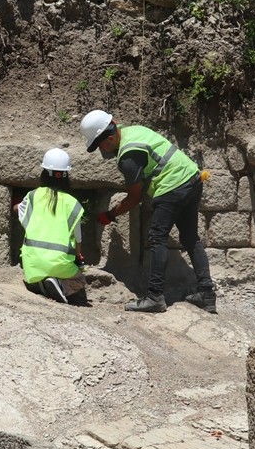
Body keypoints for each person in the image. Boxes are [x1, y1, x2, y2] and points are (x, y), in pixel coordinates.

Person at [80, 109, 216, 314]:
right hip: (192, 177)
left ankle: (155, 297)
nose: (102, 151)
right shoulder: (133, 131)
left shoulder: (128, 156)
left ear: (109, 138)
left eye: (100, 145)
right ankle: (207, 294)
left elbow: (134, 198)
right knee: (190, 238)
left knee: (157, 237)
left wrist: (110, 215)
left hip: (172, 185)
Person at [14, 147, 89, 306]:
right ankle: (59, 284)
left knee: (32, 275)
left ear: (43, 173)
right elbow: (78, 238)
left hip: (32, 263)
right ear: (66, 176)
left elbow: (21, 213)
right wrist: (78, 257)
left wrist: (16, 205)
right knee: (79, 280)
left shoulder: (32, 196)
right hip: (61, 264)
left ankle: (40, 285)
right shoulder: (72, 203)